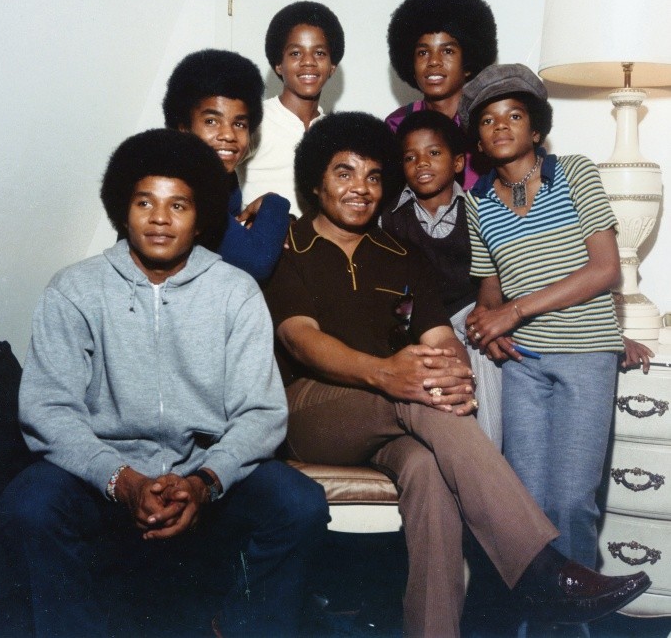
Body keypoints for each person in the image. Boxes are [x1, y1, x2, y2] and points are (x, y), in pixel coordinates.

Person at [263, 111, 650, 638]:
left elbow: (441, 338)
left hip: (395, 415)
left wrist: (452, 372)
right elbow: (299, 339)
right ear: (315, 181)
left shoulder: (399, 254)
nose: (361, 188)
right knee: (417, 391)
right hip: (313, 410)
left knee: (429, 470)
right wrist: (386, 373)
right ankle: (540, 569)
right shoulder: (288, 245)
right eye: (344, 173)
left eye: (373, 176)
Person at [0, 129, 328, 638]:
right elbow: (48, 408)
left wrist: (204, 482)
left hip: (205, 471)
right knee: (30, 503)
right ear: (123, 210)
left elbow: (261, 413)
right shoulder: (75, 289)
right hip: (104, 474)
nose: (159, 218)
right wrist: (123, 480)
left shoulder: (235, 291)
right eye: (144, 202)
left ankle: (243, 626)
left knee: (300, 504)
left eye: (178, 205)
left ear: (200, 219)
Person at [461, 64, 652, 634]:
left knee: (571, 502)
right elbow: (490, 292)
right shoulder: (477, 202)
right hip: (525, 367)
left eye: (514, 115)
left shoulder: (574, 173)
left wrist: (515, 311)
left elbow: (605, 270)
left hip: (586, 355)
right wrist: (489, 324)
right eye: (488, 119)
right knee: (527, 510)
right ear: (478, 140)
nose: (501, 125)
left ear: (537, 128)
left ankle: (570, 629)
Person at [380, 109, 502, 447]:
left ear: (458, 163)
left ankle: (490, 458)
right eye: (410, 157)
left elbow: (497, 276)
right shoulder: (389, 218)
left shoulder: (478, 209)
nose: (421, 163)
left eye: (434, 153)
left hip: (468, 314)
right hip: (421, 322)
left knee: (483, 354)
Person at [163, 48, 290, 281]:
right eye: (212, 121)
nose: (228, 135)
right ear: (183, 128)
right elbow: (256, 263)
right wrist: (275, 203)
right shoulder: (176, 186)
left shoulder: (223, 181)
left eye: (239, 124)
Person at [386, 0, 497, 190]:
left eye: (447, 51)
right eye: (423, 52)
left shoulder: (487, 121)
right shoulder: (397, 124)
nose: (434, 61)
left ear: (468, 64)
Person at [239, 1, 344, 217]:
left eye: (319, 53)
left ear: (332, 66)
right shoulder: (257, 119)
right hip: (262, 236)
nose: (308, 62)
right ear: (279, 64)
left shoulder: (334, 131)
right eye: (296, 53)